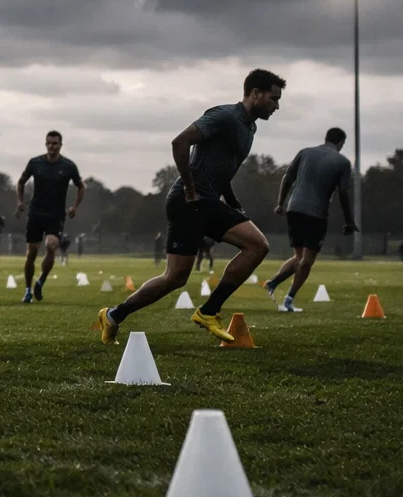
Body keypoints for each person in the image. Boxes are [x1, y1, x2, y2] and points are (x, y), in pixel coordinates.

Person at [96, 69, 284, 344]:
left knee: (178, 276)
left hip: (206, 201)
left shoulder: (249, 128)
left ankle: (114, 315)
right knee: (251, 248)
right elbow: (180, 141)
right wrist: (189, 187)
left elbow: (222, 167)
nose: (276, 106)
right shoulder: (224, 116)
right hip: (189, 201)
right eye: (273, 98)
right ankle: (207, 311)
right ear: (255, 93)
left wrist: (231, 198)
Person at [263, 127, 356, 312]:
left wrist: (280, 203)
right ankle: (288, 300)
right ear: (340, 143)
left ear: (326, 138)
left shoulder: (305, 152)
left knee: (299, 257)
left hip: (294, 208)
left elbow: (287, 177)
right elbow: (343, 192)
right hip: (316, 213)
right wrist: (349, 221)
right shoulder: (342, 162)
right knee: (307, 261)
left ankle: (272, 284)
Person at [15, 132, 83, 303]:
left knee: (50, 245)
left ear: (61, 145)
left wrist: (74, 206)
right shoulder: (35, 163)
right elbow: (21, 181)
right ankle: (28, 290)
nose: (51, 146)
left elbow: (81, 186)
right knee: (32, 252)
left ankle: (41, 281)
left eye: (55, 143)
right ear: (45, 144)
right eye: (49, 143)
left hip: (56, 214)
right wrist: (20, 201)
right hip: (36, 213)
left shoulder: (68, 166)